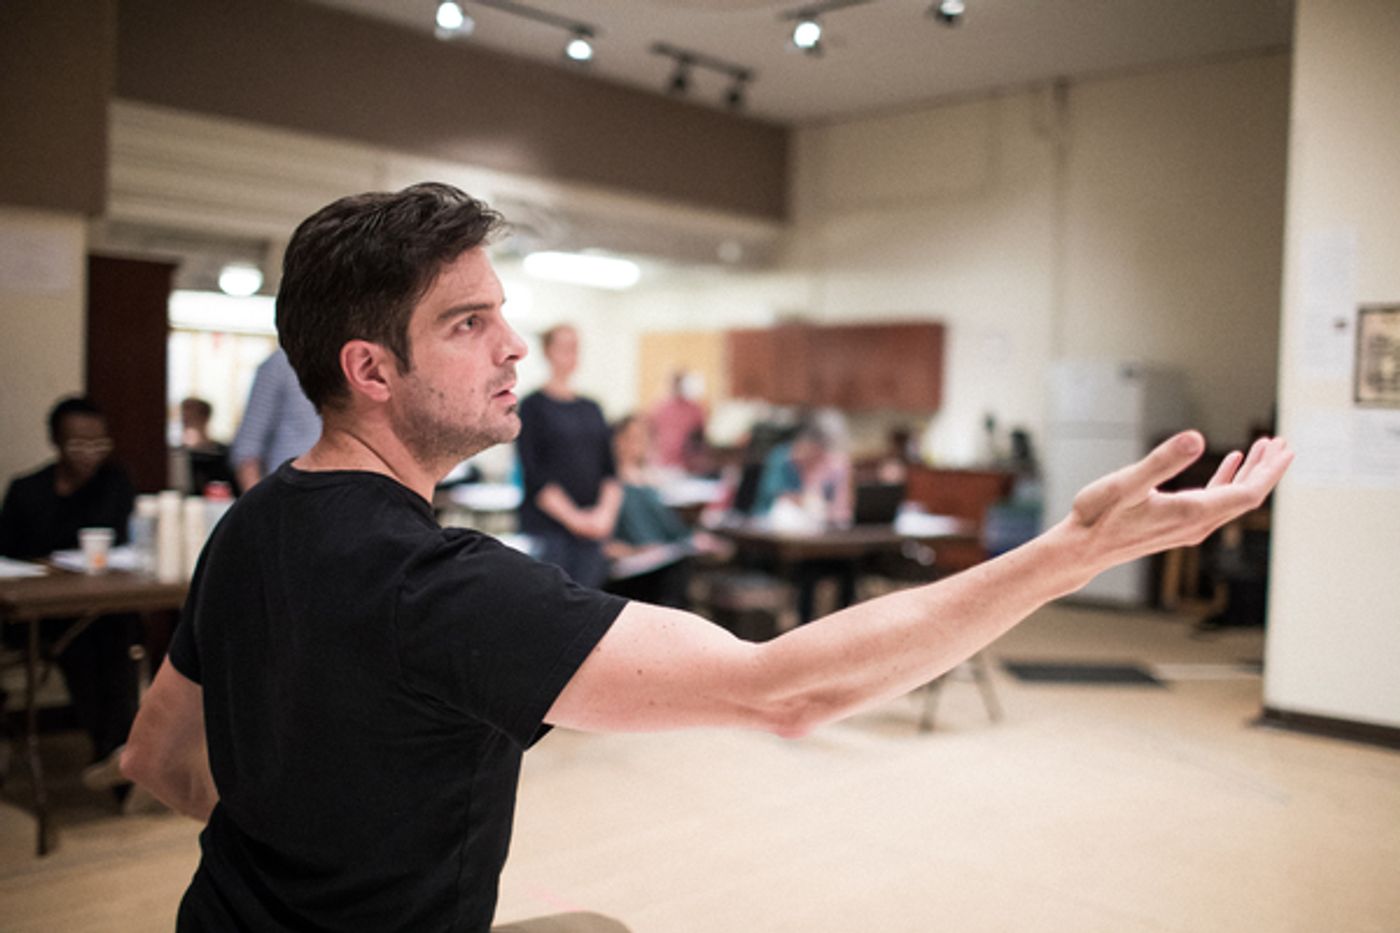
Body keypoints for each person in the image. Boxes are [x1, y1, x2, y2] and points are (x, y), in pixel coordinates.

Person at [120, 183, 1293, 933]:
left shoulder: (252, 525)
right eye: (467, 323)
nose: (514, 346)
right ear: (370, 369)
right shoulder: (440, 588)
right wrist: (1070, 551)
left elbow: (157, 758)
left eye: (501, 313)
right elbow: (786, 689)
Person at [0, 396, 140, 791]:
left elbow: (119, 540)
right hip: (38, 613)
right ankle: (115, 758)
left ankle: (119, 758)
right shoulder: (28, 491)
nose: (90, 454)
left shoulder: (114, 483)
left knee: (113, 633)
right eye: (78, 444)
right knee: (83, 643)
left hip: (97, 605)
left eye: (99, 443)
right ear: (56, 442)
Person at [515, 323, 621, 588]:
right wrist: (575, 520)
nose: (570, 354)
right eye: (563, 347)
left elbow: (610, 471)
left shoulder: (592, 408)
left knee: (592, 598)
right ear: (547, 351)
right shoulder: (532, 407)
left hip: (594, 527)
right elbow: (534, 475)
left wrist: (604, 517)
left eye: (575, 348)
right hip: (549, 530)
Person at [604, 413, 726, 609]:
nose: (638, 444)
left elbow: (670, 528)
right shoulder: (609, 483)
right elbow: (604, 542)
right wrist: (630, 551)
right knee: (676, 574)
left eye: (644, 438)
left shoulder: (650, 482)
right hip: (630, 565)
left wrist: (693, 539)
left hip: (659, 557)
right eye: (632, 438)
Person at [751, 415, 858, 623]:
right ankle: (803, 621)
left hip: (819, 537)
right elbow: (779, 496)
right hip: (777, 533)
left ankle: (843, 624)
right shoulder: (783, 458)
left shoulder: (827, 464)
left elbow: (837, 506)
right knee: (809, 566)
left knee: (847, 563)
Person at [228, 346, 321, 491]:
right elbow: (247, 448)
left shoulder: (356, 365)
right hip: (290, 494)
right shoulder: (282, 363)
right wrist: (261, 503)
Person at [648, 370, 707, 472]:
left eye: (680, 382)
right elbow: (651, 435)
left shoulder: (695, 410)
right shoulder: (659, 408)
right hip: (661, 463)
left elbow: (700, 439)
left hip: (686, 465)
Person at [178, 396, 237, 496]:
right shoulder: (178, 455)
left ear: (205, 417)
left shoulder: (222, 452)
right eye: (185, 418)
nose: (186, 419)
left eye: (192, 417)